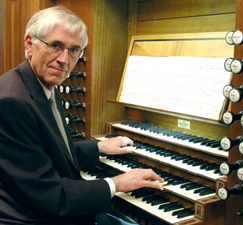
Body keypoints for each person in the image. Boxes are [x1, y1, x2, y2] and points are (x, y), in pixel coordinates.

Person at [0, 6, 164, 225]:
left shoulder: (42, 82)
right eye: (55, 46)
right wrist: (116, 183)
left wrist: (98, 147)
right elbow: (52, 196)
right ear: (30, 44)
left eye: (74, 50)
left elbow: (45, 151)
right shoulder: (13, 102)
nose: (64, 60)